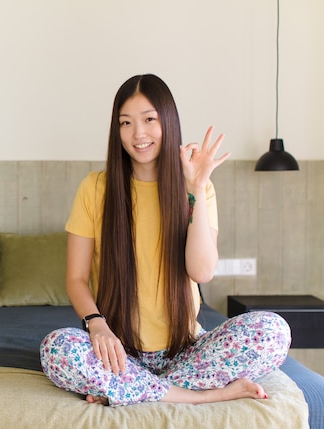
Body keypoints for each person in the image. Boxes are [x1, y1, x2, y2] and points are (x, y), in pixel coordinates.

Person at [40, 74, 291, 406]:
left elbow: (201, 272)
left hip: (184, 347)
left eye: (149, 120)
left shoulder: (197, 188)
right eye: (126, 123)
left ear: (168, 122)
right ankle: (198, 396)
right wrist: (97, 325)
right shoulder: (95, 188)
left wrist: (197, 188)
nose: (138, 133)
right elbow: (75, 278)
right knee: (56, 349)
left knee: (273, 331)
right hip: (117, 351)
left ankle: (130, 390)